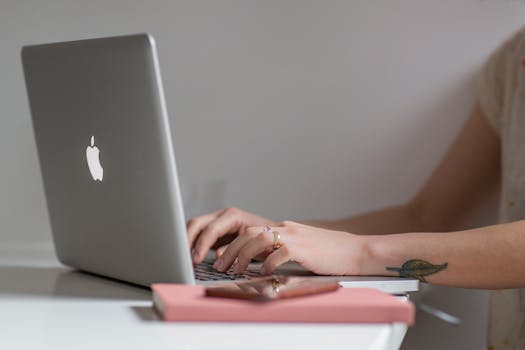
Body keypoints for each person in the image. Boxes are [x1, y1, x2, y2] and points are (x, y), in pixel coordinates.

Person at [186, 27, 525, 350]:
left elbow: (370, 246)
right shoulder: (513, 62)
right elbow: (424, 215)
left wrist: (361, 253)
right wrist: (273, 235)